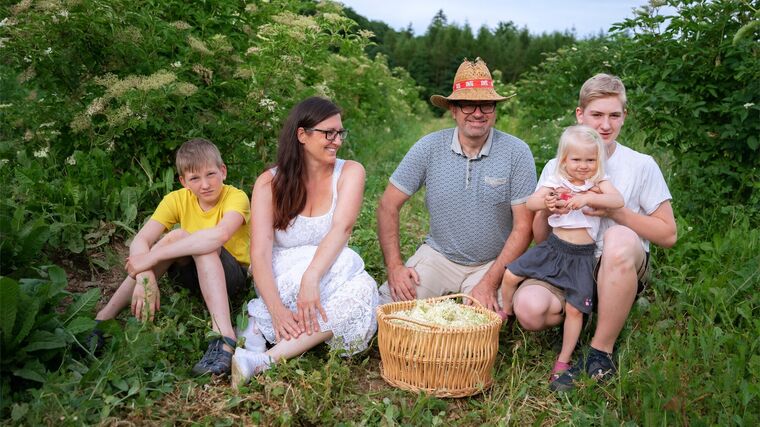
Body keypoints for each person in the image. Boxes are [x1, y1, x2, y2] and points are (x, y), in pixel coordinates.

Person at [512, 74, 677, 391]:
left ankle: (600, 350)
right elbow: (541, 237)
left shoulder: (640, 165)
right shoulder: (558, 164)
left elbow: (668, 234)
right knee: (529, 310)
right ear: (580, 115)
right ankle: (577, 311)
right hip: (566, 263)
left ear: (624, 116)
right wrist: (547, 207)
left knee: (617, 239)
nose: (605, 124)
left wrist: (618, 212)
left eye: (614, 115)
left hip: (614, 266)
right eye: (596, 115)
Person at [231, 97, 379, 389]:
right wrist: (276, 307)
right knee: (348, 262)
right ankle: (265, 316)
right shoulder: (268, 183)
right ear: (302, 135)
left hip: (324, 272)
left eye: (340, 133)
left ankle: (263, 359)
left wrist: (312, 278)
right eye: (328, 133)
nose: (337, 141)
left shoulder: (350, 172)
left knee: (363, 289)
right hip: (280, 275)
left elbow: (341, 229)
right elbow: (259, 253)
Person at [376, 57, 536, 312]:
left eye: (486, 106)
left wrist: (489, 282)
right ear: (453, 109)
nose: (477, 113)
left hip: (492, 262)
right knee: (391, 309)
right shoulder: (428, 147)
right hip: (438, 256)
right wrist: (395, 266)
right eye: (467, 105)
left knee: (477, 327)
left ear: (494, 110)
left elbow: (524, 226)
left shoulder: (517, 152)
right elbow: (387, 205)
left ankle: (482, 296)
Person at [93, 138, 250, 376]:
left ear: (223, 171)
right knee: (175, 238)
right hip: (191, 276)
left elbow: (220, 235)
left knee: (196, 241)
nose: (205, 184)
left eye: (211, 174)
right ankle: (103, 320)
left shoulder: (235, 197)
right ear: (183, 181)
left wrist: (152, 257)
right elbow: (140, 241)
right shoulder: (176, 199)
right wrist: (145, 275)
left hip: (230, 277)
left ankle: (224, 337)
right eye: (195, 178)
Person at [500, 125, 624, 383]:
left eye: (590, 160)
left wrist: (588, 198)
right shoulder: (557, 180)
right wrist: (546, 203)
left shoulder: (597, 183)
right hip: (553, 248)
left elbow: (617, 201)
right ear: (564, 160)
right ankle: (507, 312)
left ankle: (563, 360)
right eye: (576, 159)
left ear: (598, 161)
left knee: (575, 310)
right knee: (511, 273)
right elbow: (531, 202)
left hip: (581, 256)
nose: (583, 166)